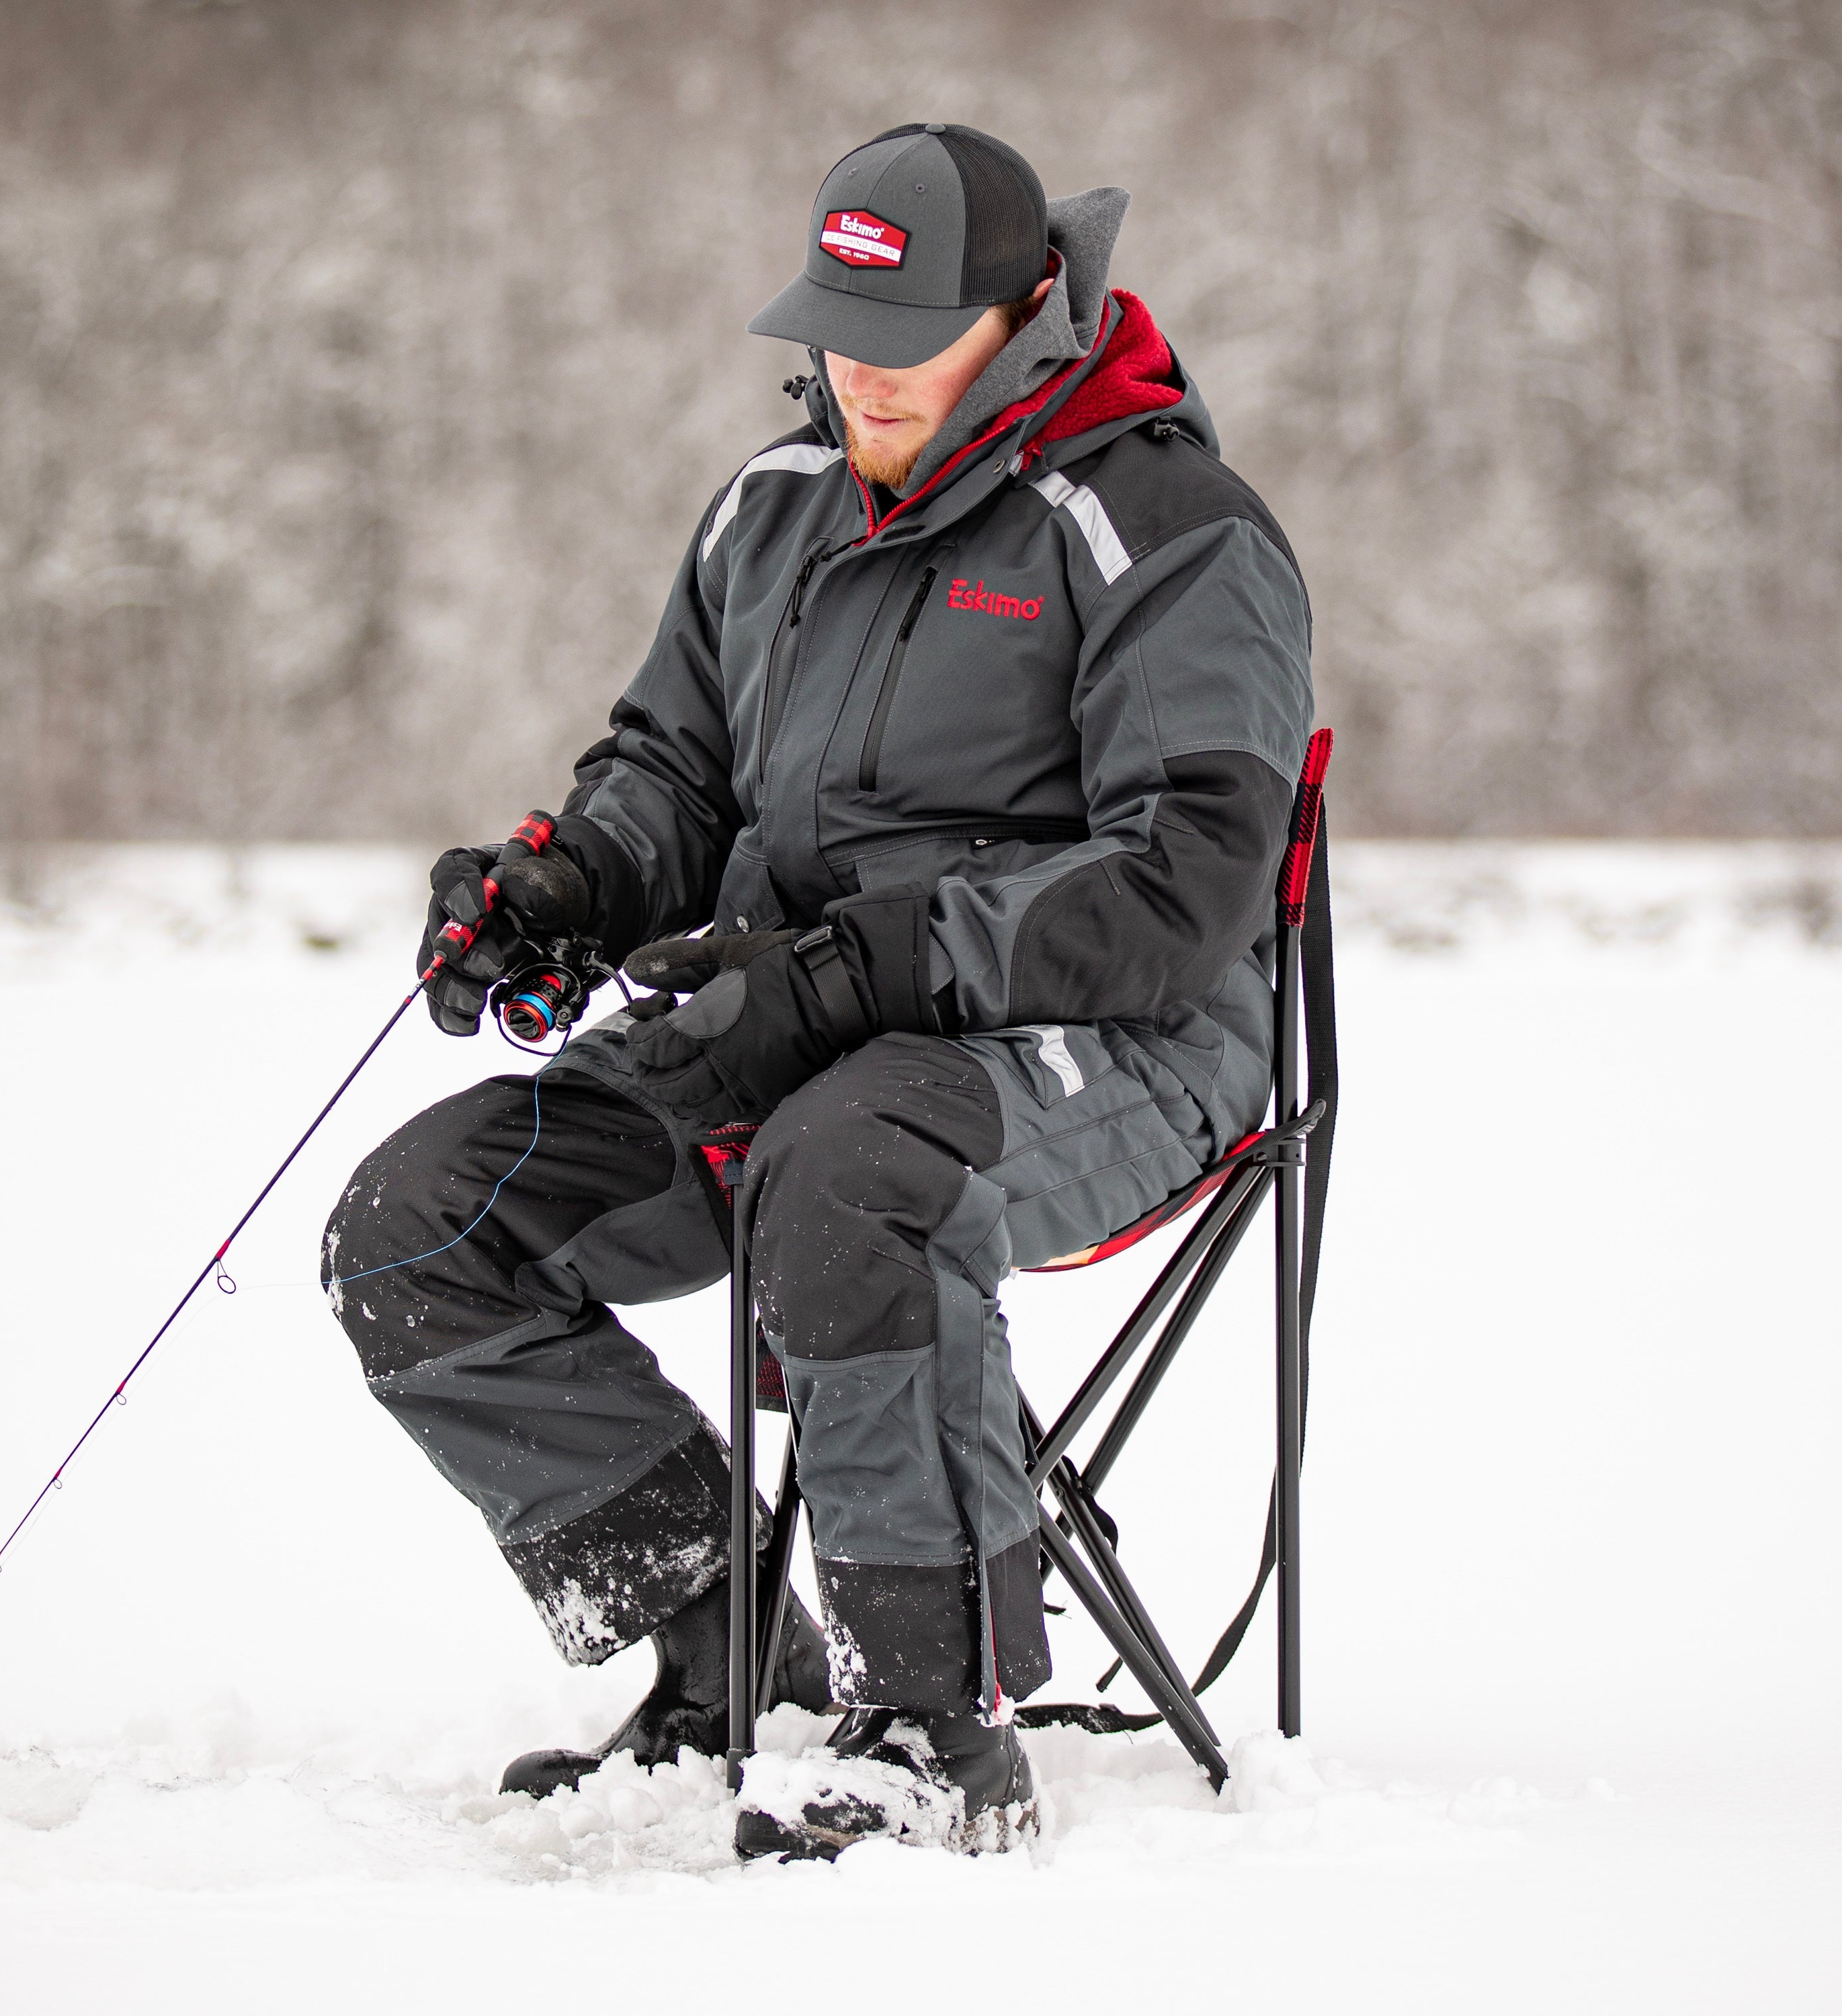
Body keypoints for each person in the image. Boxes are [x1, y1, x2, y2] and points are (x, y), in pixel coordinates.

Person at [323, 123, 1312, 1861]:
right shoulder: (765, 513)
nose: (862, 370)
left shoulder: (1166, 525)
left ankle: (926, 1721)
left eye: (908, 332)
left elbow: (1185, 885)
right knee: (419, 1225)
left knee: (857, 1168)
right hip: (793, 1024)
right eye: (840, 327)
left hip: (1127, 1046)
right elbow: (670, 780)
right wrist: (561, 882)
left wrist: (861, 969)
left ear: (1026, 316)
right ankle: (727, 1644)